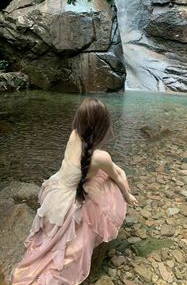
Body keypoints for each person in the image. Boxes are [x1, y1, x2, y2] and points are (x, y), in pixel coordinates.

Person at [11, 97, 138, 284]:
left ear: (80, 121)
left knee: (102, 177)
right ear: (102, 126)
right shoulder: (101, 157)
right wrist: (127, 195)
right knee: (110, 184)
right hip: (70, 204)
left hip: (56, 192)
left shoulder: (74, 135)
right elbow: (117, 175)